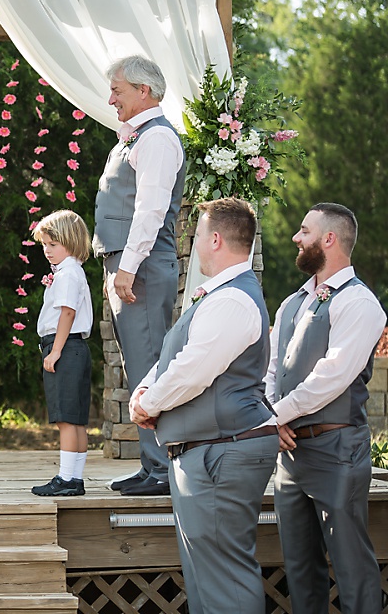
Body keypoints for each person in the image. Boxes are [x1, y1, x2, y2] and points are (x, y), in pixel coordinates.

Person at [130, 198, 278, 614]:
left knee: (224, 578)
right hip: (207, 448)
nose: (193, 244)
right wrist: (144, 392)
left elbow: (193, 370)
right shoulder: (218, 296)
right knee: (206, 577)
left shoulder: (233, 300)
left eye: (196, 235)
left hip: (222, 449)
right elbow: (174, 357)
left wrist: (149, 404)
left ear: (215, 239)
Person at [265, 203, 385, 614]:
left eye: (304, 230)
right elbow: (271, 370)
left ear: (329, 239)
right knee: (300, 569)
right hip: (289, 455)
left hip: (337, 452)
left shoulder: (360, 303)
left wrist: (274, 417)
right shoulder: (290, 304)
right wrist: (273, 419)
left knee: (352, 568)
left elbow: (331, 377)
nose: (296, 237)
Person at [92, 56, 185, 497]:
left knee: (149, 365)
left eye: (118, 90)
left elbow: (150, 211)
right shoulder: (138, 136)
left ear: (143, 91)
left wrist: (127, 268)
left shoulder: (158, 139)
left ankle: (164, 470)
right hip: (130, 264)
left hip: (143, 266)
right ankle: (152, 464)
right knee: (139, 364)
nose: (111, 99)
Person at [29, 210, 94, 498]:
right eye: (44, 244)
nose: (47, 250)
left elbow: (67, 312)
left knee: (65, 418)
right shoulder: (72, 272)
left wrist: (55, 351)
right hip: (75, 348)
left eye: (53, 244)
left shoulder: (67, 274)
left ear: (70, 241)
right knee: (76, 418)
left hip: (64, 347)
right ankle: (75, 478)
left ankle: (66, 477)